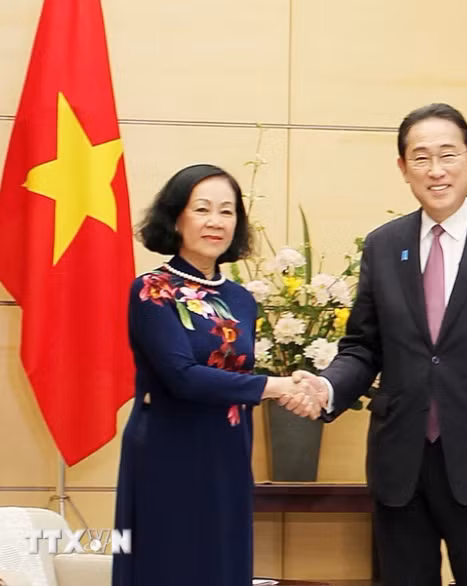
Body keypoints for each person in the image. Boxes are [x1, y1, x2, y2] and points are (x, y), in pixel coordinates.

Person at [294, 104, 467, 585]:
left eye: (448, 155)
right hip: (400, 459)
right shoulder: (382, 245)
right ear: (403, 168)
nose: (436, 171)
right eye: (420, 158)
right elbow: (363, 347)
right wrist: (328, 388)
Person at [112, 163, 316, 586]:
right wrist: (274, 386)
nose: (215, 221)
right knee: (169, 566)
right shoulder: (153, 289)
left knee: (222, 567)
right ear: (177, 217)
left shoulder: (241, 299)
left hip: (227, 452)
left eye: (227, 211)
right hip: (168, 453)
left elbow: (235, 371)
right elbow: (182, 377)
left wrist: (297, 383)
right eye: (202, 209)